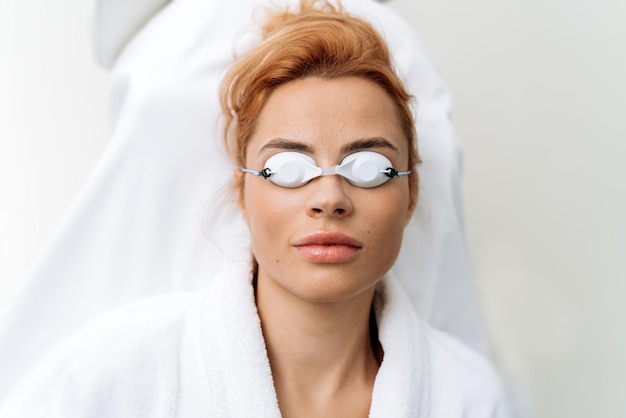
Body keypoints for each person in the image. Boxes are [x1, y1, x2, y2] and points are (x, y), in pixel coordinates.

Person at [0, 1, 510, 416]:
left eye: (369, 167)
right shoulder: (108, 379)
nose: (329, 198)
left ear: (411, 194)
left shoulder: (468, 397)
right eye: (287, 168)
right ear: (241, 194)